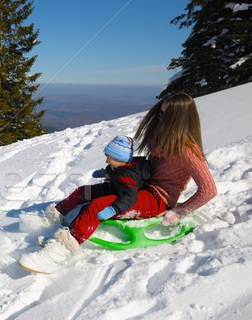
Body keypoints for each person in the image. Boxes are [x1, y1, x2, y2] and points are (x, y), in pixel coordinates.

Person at [19, 93, 217, 274]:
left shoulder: (188, 151)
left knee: (97, 206)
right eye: (160, 113)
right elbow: (148, 167)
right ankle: (55, 220)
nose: (160, 118)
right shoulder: (162, 139)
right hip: (139, 187)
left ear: (179, 120)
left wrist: (179, 211)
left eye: (166, 116)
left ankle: (56, 255)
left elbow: (208, 190)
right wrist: (121, 172)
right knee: (85, 193)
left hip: (157, 200)